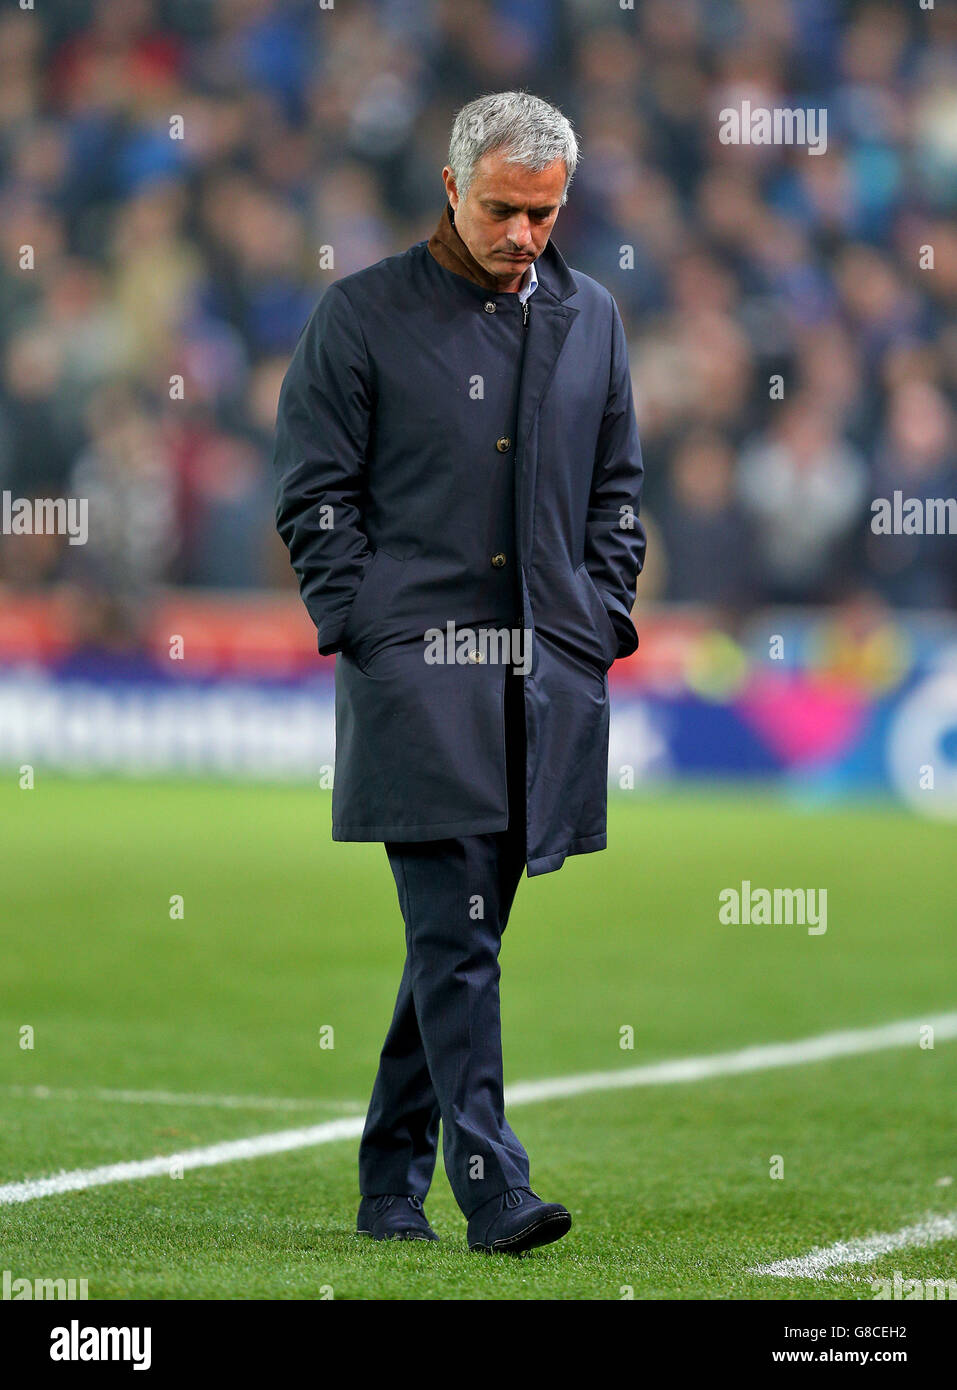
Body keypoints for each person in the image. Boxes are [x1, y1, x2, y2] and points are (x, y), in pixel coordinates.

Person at [273, 91, 646, 1255]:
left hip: (543, 681)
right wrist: (369, 624)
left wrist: (601, 614)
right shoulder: (361, 314)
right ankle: (492, 1186)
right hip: (421, 676)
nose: (525, 235)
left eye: (543, 214)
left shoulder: (595, 319)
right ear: (449, 186)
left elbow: (616, 492)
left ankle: (390, 1182)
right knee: (459, 933)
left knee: (455, 941)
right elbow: (313, 493)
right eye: (502, 209)